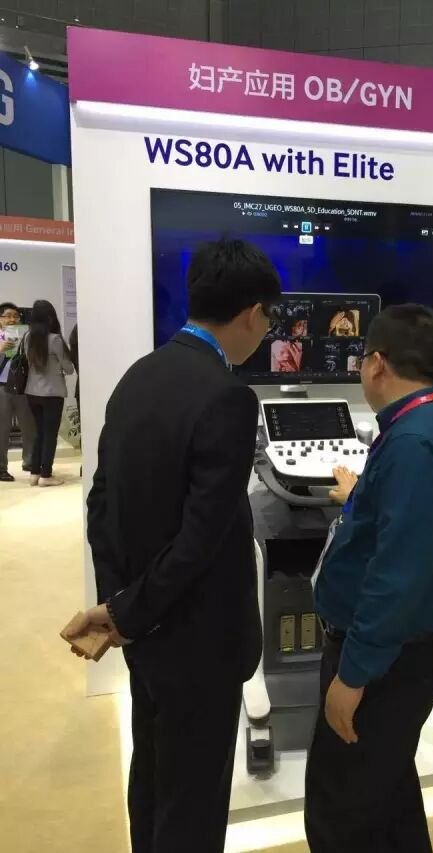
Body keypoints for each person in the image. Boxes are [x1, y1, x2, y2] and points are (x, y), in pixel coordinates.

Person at [64, 239, 281, 853]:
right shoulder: (229, 396)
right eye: (268, 319)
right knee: (193, 803)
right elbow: (202, 539)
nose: (266, 331)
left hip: (147, 635)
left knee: (154, 779)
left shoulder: (138, 376)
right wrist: (128, 612)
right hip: (200, 643)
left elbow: (101, 502)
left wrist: (121, 606)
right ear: (251, 314)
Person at [305, 304, 433, 853]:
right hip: (403, 649)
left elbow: (396, 575)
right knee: (387, 793)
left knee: (341, 808)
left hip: (383, 658)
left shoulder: (411, 444)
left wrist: (353, 675)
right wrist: (360, 495)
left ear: (377, 363)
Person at [25, 300, 75, 487]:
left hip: (32, 392)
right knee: (50, 434)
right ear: (50, 317)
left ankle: (34, 473)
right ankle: (46, 475)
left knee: (39, 433)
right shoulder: (55, 340)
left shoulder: (28, 338)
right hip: (52, 394)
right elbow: (69, 368)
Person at [0, 302, 35, 482]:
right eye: (8, 316)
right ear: (0, 320)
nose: (12, 319)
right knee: (2, 430)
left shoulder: (26, 336)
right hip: (2, 388)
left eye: (16, 316)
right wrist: (1, 350)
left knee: (29, 427)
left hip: (23, 387)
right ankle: (1, 468)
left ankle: (30, 462)